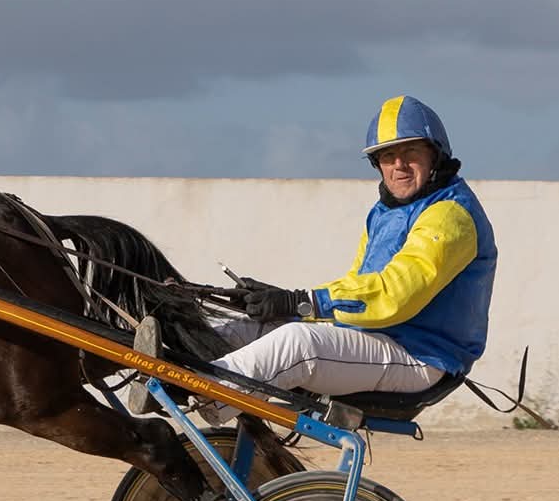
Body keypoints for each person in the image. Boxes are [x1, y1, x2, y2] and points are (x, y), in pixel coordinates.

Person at [193, 95, 496, 410]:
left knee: (298, 343)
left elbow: (394, 296)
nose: (399, 165)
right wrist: (285, 306)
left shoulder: (449, 215)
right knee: (246, 330)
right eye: (387, 156)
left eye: (410, 152)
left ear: (436, 156)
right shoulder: (384, 212)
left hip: (421, 357)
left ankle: (195, 394)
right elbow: (359, 286)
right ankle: (168, 369)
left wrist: (300, 301)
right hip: (377, 342)